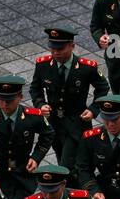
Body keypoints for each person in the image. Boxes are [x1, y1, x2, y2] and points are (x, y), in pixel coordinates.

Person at [29, 25, 110, 167]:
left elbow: (103, 87)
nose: (56, 53)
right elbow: (35, 89)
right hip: (54, 123)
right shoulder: (43, 65)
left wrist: (93, 109)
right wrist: (40, 104)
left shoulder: (86, 67)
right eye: (52, 49)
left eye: (60, 49)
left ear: (72, 46)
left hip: (77, 123)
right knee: (62, 157)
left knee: (66, 164)